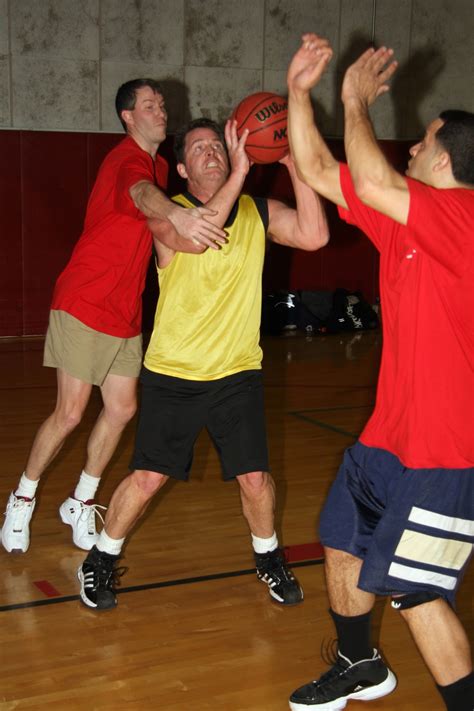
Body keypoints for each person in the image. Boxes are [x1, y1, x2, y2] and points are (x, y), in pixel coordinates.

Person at [285, 34, 474, 711]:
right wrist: (300, 92)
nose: (412, 149)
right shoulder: (407, 224)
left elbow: (370, 177)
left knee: (417, 591)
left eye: (422, 143)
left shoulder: (465, 220)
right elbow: (314, 168)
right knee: (342, 538)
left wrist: (354, 99)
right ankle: (359, 662)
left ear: (447, 158)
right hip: (388, 437)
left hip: (445, 453)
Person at [76, 116, 330, 610]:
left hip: (237, 372)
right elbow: (203, 233)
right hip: (175, 374)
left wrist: (295, 167)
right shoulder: (171, 218)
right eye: (199, 149)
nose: (212, 153)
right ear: (181, 169)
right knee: (148, 478)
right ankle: (101, 558)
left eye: (218, 145)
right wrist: (241, 170)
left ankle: (267, 555)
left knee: (255, 478)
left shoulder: (258, 211)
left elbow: (315, 235)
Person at [1, 79, 227, 555]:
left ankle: (81, 500)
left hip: (124, 309)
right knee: (69, 413)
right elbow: (143, 194)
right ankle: (21, 497)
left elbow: (155, 211)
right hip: (85, 299)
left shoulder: (162, 162)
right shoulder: (126, 158)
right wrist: (177, 214)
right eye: (150, 105)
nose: (161, 112)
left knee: (123, 409)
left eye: (163, 105)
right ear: (128, 116)